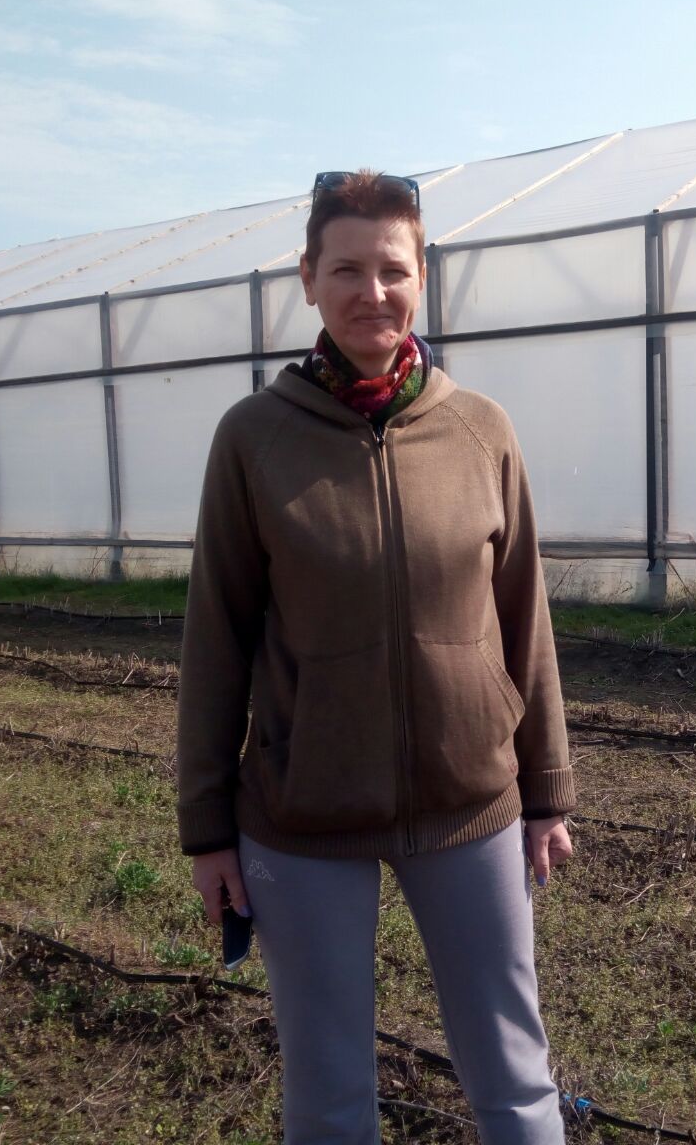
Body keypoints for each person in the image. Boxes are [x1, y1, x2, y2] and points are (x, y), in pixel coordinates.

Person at [176, 168, 576, 1144]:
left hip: (470, 804)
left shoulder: (480, 431)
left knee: (514, 1077)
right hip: (301, 815)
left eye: (393, 270)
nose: (372, 292)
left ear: (421, 278)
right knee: (328, 1091)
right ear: (308, 279)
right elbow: (216, 636)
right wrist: (207, 829)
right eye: (346, 270)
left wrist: (546, 792)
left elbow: (523, 617)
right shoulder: (254, 439)